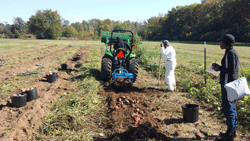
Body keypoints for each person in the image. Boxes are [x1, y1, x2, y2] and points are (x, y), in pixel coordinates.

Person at [212, 34, 238, 141]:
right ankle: (232, 131)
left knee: (228, 109)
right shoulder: (233, 52)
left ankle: (229, 135)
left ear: (226, 43)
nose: (220, 43)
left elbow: (229, 71)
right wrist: (220, 67)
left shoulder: (229, 54)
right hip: (232, 84)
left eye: (221, 42)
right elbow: (229, 68)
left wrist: (219, 68)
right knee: (232, 107)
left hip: (228, 85)